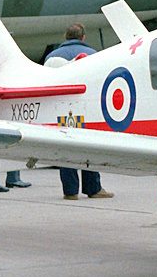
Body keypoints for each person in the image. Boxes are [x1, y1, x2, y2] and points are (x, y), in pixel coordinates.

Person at [44, 24, 113, 201]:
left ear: (65, 36)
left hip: (61, 110)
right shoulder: (94, 55)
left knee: (66, 149)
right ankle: (93, 188)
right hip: (86, 109)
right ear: (83, 37)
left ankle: (70, 191)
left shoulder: (51, 57)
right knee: (89, 147)